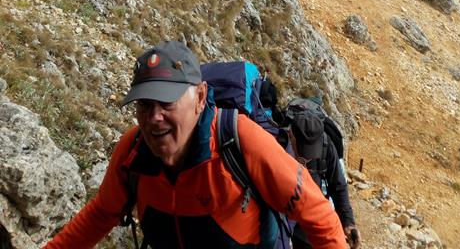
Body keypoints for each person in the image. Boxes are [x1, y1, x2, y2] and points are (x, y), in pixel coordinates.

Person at [42, 40, 347, 249]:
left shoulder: (242, 141)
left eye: (167, 102)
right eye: (144, 104)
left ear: (200, 97)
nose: (154, 117)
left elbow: (318, 215)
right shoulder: (133, 151)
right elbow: (100, 215)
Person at [289, 112, 361, 249]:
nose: (308, 159)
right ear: (291, 136)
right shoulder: (279, 145)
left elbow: (338, 186)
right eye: (304, 152)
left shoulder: (325, 145)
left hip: (310, 210)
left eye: (311, 152)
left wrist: (348, 222)